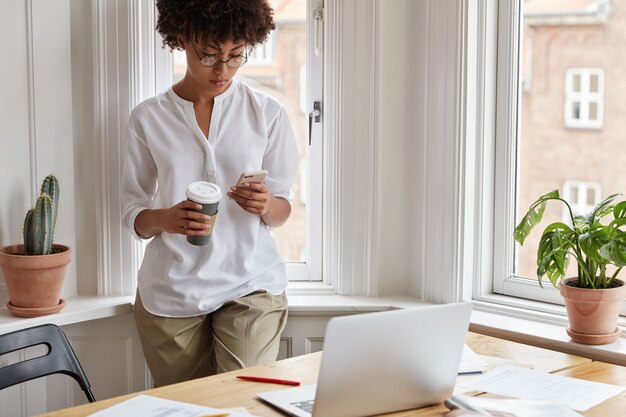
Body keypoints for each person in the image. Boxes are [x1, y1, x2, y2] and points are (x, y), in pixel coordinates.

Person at [121, 0, 298, 387]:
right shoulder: (148, 118)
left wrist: (266, 204)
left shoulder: (267, 112)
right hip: (171, 289)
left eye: (236, 56)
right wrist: (166, 218)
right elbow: (132, 211)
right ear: (181, 39)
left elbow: (283, 209)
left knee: (242, 399)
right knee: (188, 407)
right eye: (210, 55)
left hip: (250, 280)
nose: (223, 69)